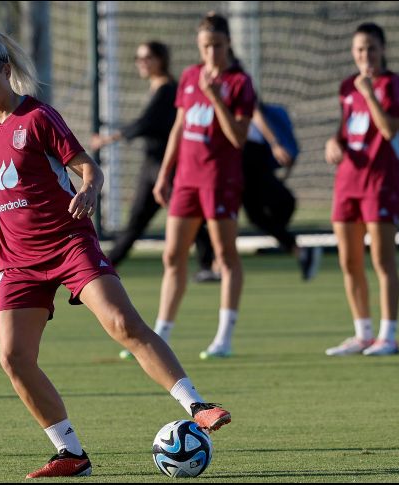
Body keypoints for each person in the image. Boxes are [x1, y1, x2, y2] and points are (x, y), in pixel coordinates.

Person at [0, 26, 231, 479]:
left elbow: (87, 165)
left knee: (122, 323)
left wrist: (88, 190)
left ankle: (197, 405)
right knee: (14, 359)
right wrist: (1, 251)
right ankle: (70, 453)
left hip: (68, 242)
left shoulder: (39, 117)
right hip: (18, 262)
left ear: (6, 71)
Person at [152, 12, 256, 360]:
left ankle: (224, 336)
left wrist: (216, 98)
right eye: (205, 46)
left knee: (224, 256)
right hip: (186, 180)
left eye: (217, 45)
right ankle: (162, 331)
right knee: (172, 255)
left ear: (228, 44)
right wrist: (165, 173)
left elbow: (238, 137)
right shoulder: (190, 76)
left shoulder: (240, 82)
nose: (211, 52)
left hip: (219, 181)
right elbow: (179, 127)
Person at [90, 41, 213, 270]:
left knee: (187, 216)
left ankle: (210, 264)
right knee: (139, 218)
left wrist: (108, 139)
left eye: (147, 58)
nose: (142, 63)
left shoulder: (167, 89)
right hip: (152, 165)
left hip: (167, 165)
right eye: (139, 58)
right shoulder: (158, 87)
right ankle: (105, 265)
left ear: (161, 60)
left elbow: (146, 123)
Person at [323, 22, 399, 357]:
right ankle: (363, 333)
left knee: (382, 260)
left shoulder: (392, 84)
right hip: (348, 182)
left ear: (383, 49)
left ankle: (389, 335)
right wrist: (333, 142)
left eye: (371, 48)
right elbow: (346, 129)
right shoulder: (347, 86)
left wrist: (370, 92)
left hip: (380, 183)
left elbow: (388, 130)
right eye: (359, 49)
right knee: (349, 261)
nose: (365, 55)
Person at [193, 102, 323, 282]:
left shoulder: (234, 83)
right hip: (236, 154)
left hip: (245, 154)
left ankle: (217, 265)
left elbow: (255, 113)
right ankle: (300, 252)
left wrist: (275, 143)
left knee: (225, 212)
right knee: (248, 214)